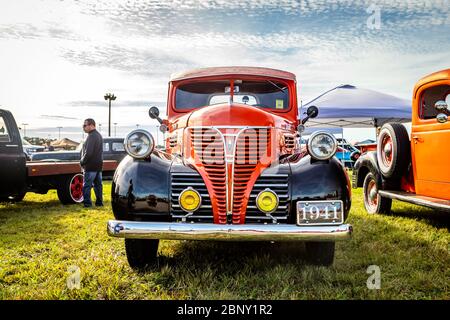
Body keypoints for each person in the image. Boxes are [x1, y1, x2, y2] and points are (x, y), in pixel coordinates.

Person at [80, 118, 103, 208]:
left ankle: (87, 204)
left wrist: (82, 161)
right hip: (98, 165)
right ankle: (99, 203)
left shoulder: (91, 136)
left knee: (87, 186)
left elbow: (88, 152)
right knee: (98, 186)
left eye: (85, 125)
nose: (84, 127)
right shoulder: (99, 135)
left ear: (92, 125)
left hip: (90, 166)